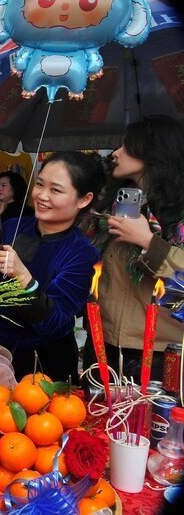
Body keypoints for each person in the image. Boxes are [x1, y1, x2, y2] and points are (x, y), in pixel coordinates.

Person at [0, 151, 105, 381]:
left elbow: (54, 323)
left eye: (56, 190)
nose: (42, 196)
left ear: (84, 199)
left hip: (44, 367)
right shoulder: (11, 227)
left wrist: (24, 278)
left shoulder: (81, 252)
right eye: (39, 185)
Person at [82, 115, 184, 381]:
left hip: (161, 350)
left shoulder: (179, 213)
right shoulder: (113, 205)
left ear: (152, 154)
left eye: (126, 147)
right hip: (104, 341)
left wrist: (148, 242)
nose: (116, 153)